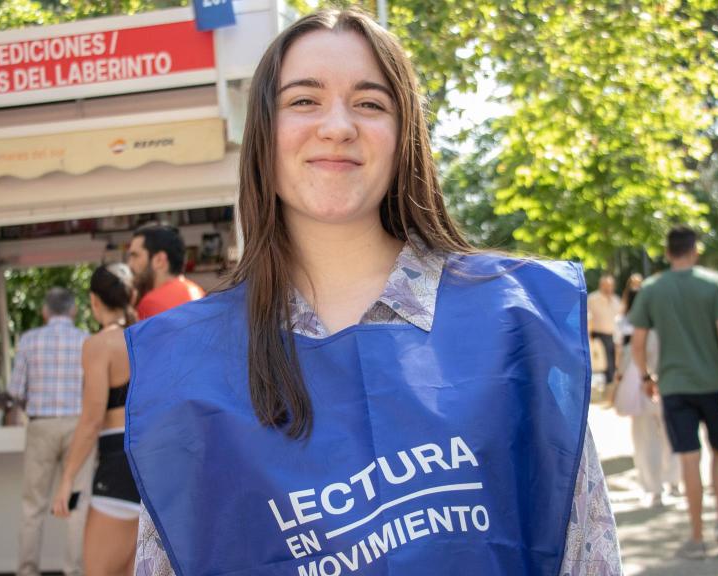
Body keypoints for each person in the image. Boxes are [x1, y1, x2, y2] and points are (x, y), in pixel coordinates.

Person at [124, 9, 620, 575]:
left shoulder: (517, 321)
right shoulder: (190, 366)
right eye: (303, 100)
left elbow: (587, 553)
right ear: (263, 132)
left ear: (404, 135)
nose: (338, 126)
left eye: (369, 103)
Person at [628, 225, 718, 559]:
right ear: (695, 250)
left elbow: (637, 341)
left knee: (689, 458)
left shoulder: (652, 288)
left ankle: (696, 536)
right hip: (715, 383)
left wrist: (646, 376)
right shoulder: (714, 283)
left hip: (674, 385)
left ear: (667, 253)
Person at [51, 264, 140, 575]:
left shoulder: (99, 345)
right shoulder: (147, 335)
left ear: (94, 301)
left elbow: (91, 421)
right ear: (132, 296)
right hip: (153, 461)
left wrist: (67, 480)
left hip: (118, 460)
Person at [8, 288, 92, 576]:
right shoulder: (86, 340)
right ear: (73, 310)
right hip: (78, 427)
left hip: (41, 426)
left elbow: (15, 391)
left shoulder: (29, 341)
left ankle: (27, 571)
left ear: (45, 311)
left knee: (33, 506)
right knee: (76, 504)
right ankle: (74, 571)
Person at [614, 274, 680, 508]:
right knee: (670, 435)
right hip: (664, 383)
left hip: (641, 384)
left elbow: (623, 355)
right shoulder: (667, 322)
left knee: (645, 439)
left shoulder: (628, 324)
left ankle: (654, 487)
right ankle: (671, 481)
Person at [124, 223, 205, 320]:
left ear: (159, 260)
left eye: (135, 256)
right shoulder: (197, 292)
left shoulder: (151, 303)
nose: (130, 264)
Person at [588, 273, 622, 386]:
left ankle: (610, 388)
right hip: (598, 337)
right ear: (601, 285)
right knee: (603, 367)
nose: (608, 288)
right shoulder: (592, 299)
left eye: (610, 285)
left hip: (614, 338)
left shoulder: (617, 300)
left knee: (614, 367)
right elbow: (588, 319)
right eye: (606, 285)